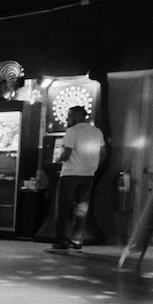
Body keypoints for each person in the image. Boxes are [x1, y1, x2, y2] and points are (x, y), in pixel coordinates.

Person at [52, 105, 106, 251]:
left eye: (69, 116)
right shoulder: (97, 132)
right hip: (88, 175)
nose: (67, 119)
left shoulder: (72, 131)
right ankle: (77, 240)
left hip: (70, 174)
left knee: (64, 208)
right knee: (81, 209)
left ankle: (62, 241)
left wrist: (57, 159)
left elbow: (67, 153)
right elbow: (103, 154)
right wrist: (92, 166)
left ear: (77, 116)